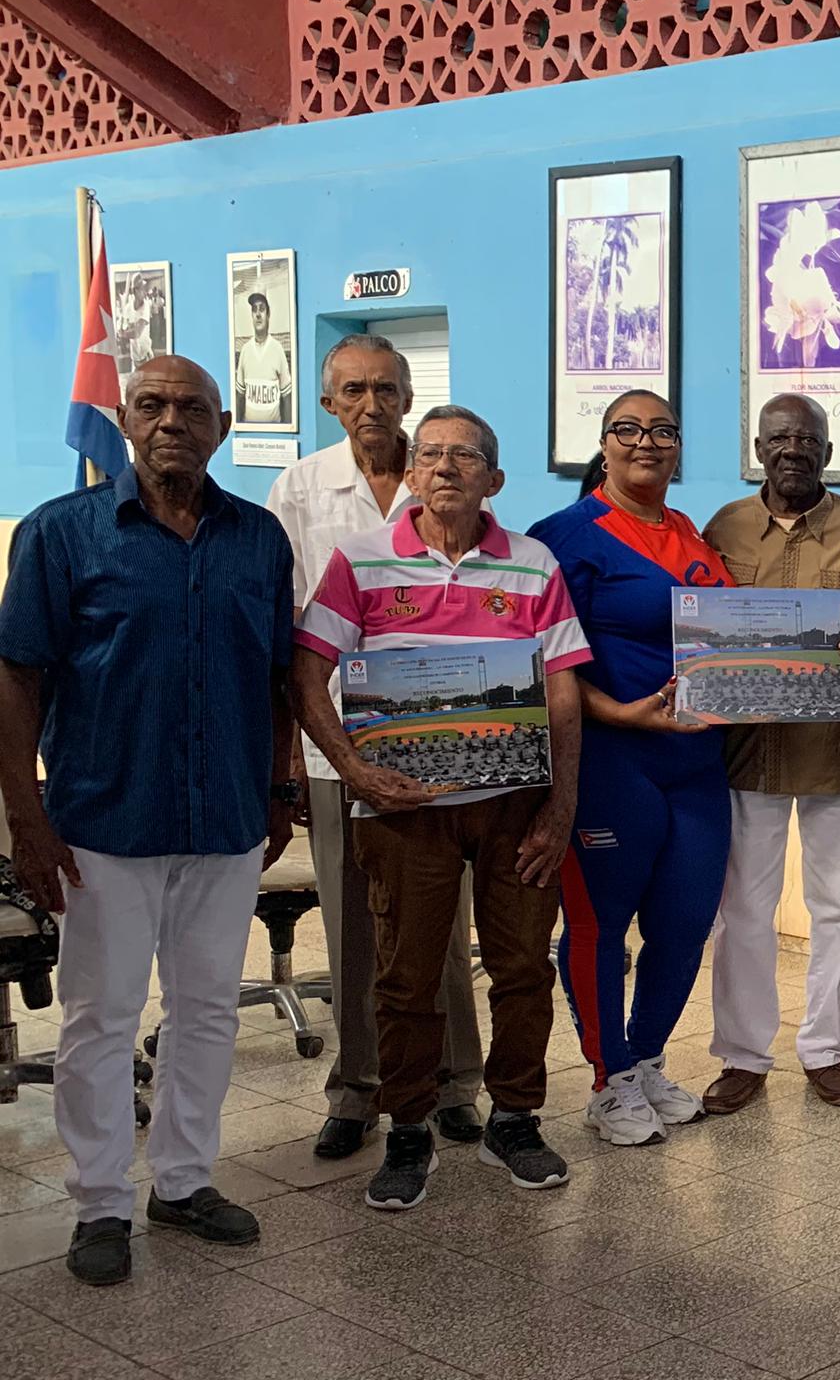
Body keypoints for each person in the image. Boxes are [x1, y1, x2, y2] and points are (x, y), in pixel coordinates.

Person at [0, 356, 295, 1286]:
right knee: (101, 1016)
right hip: (102, 820)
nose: (173, 421)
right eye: (153, 405)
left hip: (227, 816)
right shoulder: (60, 533)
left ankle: (183, 1181)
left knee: (206, 1010)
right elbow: (18, 678)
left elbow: (279, 676)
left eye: (193, 408)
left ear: (222, 426)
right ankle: (100, 1201)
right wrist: (26, 819)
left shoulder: (259, 538)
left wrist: (280, 790)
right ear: (125, 420)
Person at [288, 407, 592, 1208]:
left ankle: (515, 1119)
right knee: (406, 976)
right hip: (404, 809)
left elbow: (563, 692)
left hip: (514, 805)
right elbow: (306, 672)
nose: (446, 467)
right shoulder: (359, 560)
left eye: (466, 455)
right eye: (430, 454)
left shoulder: (533, 564)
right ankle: (409, 1130)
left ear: (495, 479)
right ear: (413, 472)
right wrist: (354, 770)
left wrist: (560, 808)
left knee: (523, 970)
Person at [265, 333, 485, 1160]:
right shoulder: (299, 489)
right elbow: (290, 635)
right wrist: (293, 751)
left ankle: (455, 1082)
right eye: (353, 391)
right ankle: (358, 1088)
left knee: (443, 922)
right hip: (336, 746)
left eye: (386, 389)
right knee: (355, 924)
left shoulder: (441, 478)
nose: (371, 404)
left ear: (407, 396)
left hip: (438, 745)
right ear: (329, 403)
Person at [529, 391, 733, 1146]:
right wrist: (617, 712)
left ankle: (645, 1060)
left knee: (684, 924)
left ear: (678, 446)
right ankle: (608, 1078)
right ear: (605, 442)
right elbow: (541, 657)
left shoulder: (692, 534)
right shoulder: (564, 537)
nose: (645, 442)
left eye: (662, 431)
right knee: (600, 925)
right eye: (628, 429)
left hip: (698, 762)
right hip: (610, 762)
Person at [699, 395, 840, 1117]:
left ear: (827, 452)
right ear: (759, 448)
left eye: (807, 439)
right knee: (743, 908)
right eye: (779, 438)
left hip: (835, 751)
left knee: (839, 907)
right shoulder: (721, 530)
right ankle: (744, 1055)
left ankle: (825, 1049)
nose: (793, 450)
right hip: (747, 752)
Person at [235, 290, 293, 427]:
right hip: (249, 429)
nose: (258, 314)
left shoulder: (277, 349)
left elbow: (286, 397)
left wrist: (286, 428)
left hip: (275, 430)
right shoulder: (245, 350)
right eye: (254, 310)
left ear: (268, 314)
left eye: (262, 309)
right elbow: (240, 396)